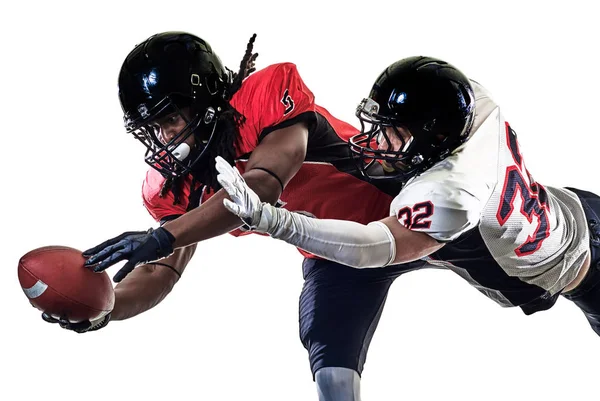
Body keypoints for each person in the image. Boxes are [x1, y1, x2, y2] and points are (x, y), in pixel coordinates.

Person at [43, 31, 425, 401]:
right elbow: (160, 271)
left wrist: (164, 236)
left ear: (206, 102)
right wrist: (108, 306)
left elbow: (261, 185)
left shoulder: (262, 98)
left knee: (487, 269)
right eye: (153, 129)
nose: (165, 139)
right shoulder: (176, 184)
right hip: (334, 255)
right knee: (331, 370)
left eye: (171, 119)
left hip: (410, 212)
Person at [216, 55, 600, 336]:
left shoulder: (450, 193)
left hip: (587, 270)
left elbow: (371, 247)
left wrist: (276, 222)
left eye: (393, 132)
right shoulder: (474, 107)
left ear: (433, 137)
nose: (377, 141)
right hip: (575, 208)